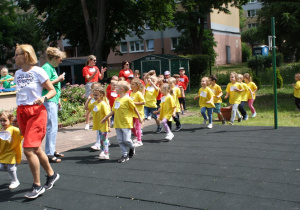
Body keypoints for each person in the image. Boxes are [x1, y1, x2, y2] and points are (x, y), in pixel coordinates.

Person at [13, 44, 59, 199]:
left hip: (36, 113)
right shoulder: (17, 73)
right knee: (36, 149)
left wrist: (44, 97)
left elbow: (52, 90)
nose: (14, 57)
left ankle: (37, 186)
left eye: (16, 54)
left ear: (25, 55)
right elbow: (20, 95)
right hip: (22, 112)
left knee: (28, 149)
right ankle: (51, 175)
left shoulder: (38, 71)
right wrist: (16, 116)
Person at [101, 81, 142, 163]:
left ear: (122, 89)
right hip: (117, 122)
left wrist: (140, 117)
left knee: (126, 140)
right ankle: (124, 154)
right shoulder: (117, 99)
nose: (115, 89)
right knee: (120, 140)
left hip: (126, 123)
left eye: (117, 87)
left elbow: (134, 108)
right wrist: (106, 117)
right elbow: (113, 110)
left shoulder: (128, 99)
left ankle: (132, 146)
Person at [42, 47, 66, 163]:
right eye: (60, 59)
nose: (61, 61)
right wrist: (59, 79)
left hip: (53, 100)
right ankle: (49, 153)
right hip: (48, 100)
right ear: (55, 58)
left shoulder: (51, 68)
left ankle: (52, 150)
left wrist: (58, 99)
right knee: (51, 126)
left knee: (54, 126)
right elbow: (43, 85)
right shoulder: (47, 67)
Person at [85, 87, 110, 159]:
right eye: (94, 95)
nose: (94, 97)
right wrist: (89, 99)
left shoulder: (103, 104)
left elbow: (107, 115)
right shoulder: (95, 103)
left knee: (104, 139)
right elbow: (86, 108)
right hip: (98, 125)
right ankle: (103, 151)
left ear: (101, 95)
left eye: (96, 95)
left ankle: (106, 153)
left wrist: (108, 126)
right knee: (102, 139)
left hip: (103, 125)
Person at [82, 55, 106, 130]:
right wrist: (94, 73)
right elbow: (88, 78)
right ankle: (87, 123)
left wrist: (102, 73)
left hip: (97, 84)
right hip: (90, 85)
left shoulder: (96, 68)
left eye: (96, 60)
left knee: (99, 101)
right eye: (94, 60)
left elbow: (101, 77)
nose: (95, 62)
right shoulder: (85, 68)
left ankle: (99, 120)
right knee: (89, 103)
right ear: (89, 60)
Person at [0, 110, 23, 189]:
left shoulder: (13, 129)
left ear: (10, 120)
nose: (2, 123)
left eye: (5, 120)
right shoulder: (1, 130)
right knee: (1, 167)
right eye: (1, 121)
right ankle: (12, 169)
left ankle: (15, 181)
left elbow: (21, 134)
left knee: (10, 167)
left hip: (11, 152)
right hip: (3, 152)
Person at [130, 78, 145, 147]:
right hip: (132, 113)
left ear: (137, 86)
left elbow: (143, 102)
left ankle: (139, 140)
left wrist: (134, 103)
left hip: (138, 113)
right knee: (132, 126)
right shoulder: (131, 93)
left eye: (133, 84)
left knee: (137, 127)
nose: (131, 85)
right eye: (131, 84)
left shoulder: (139, 93)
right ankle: (136, 136)